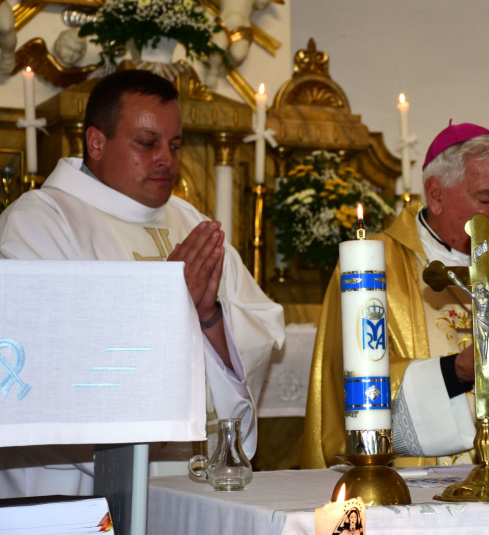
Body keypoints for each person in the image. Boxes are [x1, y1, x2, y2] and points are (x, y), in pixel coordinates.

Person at [0, 69, 285, 497]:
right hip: (77, 496)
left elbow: (262, 328)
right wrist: (163, 304)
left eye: (174, 145)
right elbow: (42, 359)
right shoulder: (39, 222)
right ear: (96, 143)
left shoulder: (190, 221)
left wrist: (210, 320)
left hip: (194, 493)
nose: (166, 159)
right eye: (148, 143)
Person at [302, 121, 489, 469]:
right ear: (436, 195)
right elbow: (344, 382)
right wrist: (455, 372)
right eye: (487, 198)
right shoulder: (371, 267)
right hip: (411, 485)